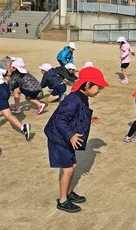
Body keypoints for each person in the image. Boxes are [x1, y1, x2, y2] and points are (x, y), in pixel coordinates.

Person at [44, 66, 109, 213]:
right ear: (87, 85)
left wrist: (88, 118)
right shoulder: (74, 99)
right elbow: (60, 119)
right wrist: (70, 135)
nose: (99, 91)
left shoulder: (82, 97)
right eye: (98, 87)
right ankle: (62, 200)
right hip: (59, 138)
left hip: (66, 138)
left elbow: (77, 114)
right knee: (67, 169)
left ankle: (68, 191)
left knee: (72, 167)